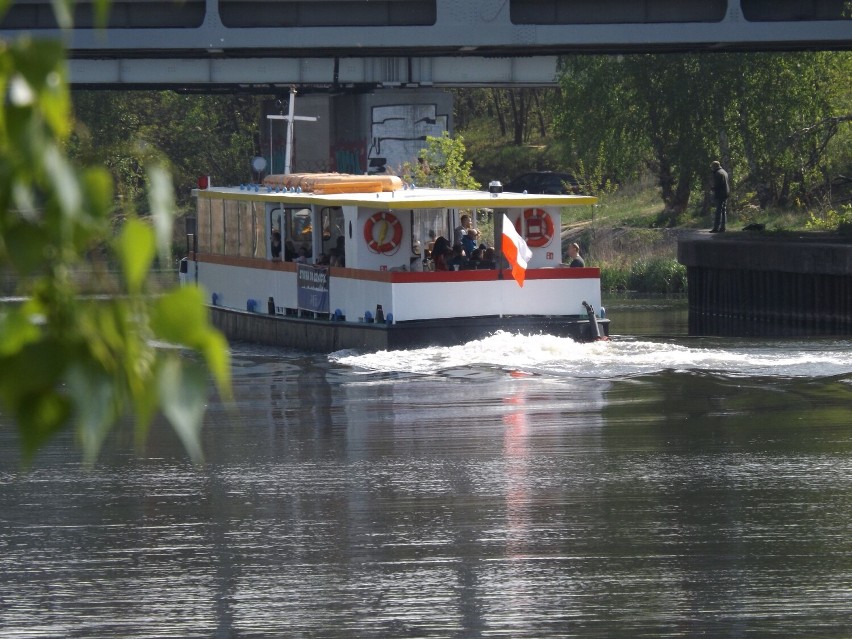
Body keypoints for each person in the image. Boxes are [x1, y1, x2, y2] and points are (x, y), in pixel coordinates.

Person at [710, 160, 730, 233]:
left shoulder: (718, 173)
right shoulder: (724, 172)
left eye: (712, 167)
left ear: (714, 166)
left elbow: (718, 185)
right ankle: (723, 227)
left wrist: (712, 188)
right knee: (723, 211)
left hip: (720, 194)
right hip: (726, 193)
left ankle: (716, 228)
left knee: (718, 211)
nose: (711, 168)